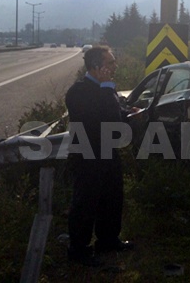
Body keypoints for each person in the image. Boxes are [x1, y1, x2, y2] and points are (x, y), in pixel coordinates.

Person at [66, 46, 135, 266]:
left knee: (112, 197)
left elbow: (114, 114)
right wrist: (107, 91)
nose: (115, 66)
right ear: (97, 67)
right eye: (110, 62)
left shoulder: (105, 88)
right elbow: (107, 121)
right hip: (88, 154)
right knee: (86, 202)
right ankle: (79, 250)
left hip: (107, 151)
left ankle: (107, 240)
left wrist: (128, 112)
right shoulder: (79, 91)